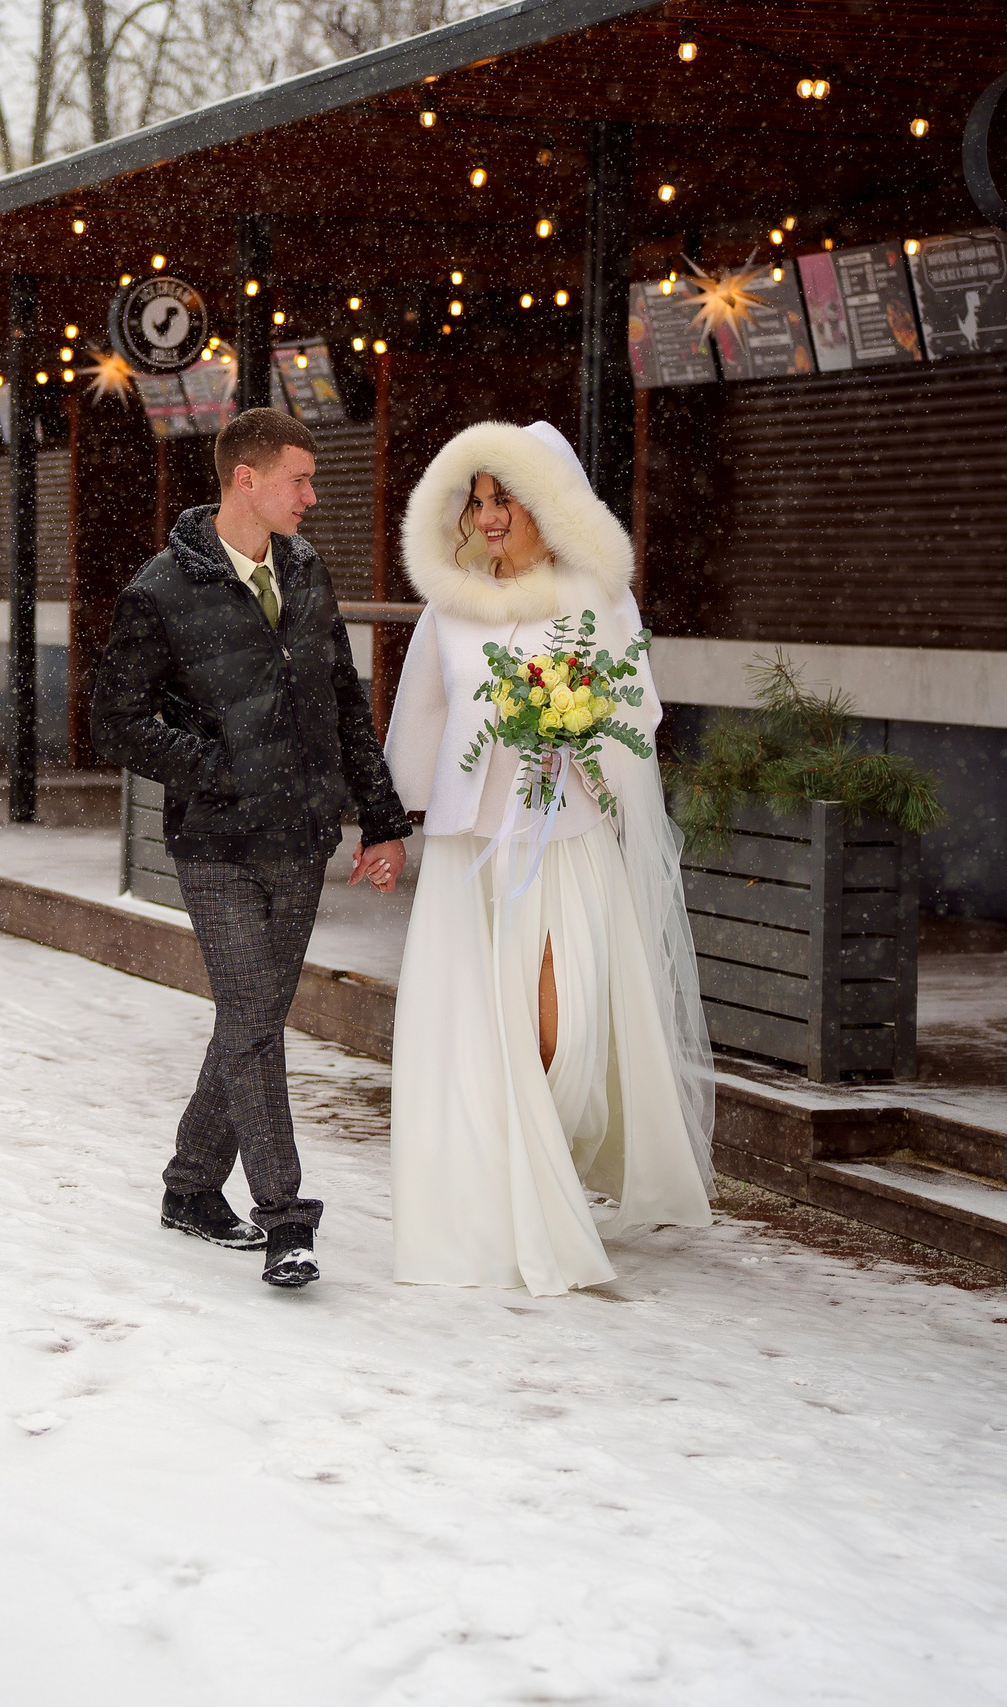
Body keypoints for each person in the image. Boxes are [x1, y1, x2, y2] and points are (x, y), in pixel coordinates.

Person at [382, 420, 715, 1295]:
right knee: (478, 1031)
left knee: (561, 1030)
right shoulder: (449, 607)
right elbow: (418, 721)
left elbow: (635, 715)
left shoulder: (595, 600)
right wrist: (389, 823)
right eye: (480, 500)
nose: (489, 518)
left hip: (566, 843)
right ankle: (501, 1189)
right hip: (473, 854)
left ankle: (552, 1155)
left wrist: (575, 736)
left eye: (508, 499)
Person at [92, 406, 412, 1290]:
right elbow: (114, 717)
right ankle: (286, 1221)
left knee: (250, 1020)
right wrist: (210, 765)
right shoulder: (160, 589)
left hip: (300, 838)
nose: (312, 497)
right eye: (300, 480)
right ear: (247, 478)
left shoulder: (307, 570)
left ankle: (192, 1186)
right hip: (217, 843)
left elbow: (345, 698)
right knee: (255, 1021)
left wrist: (381, 817)